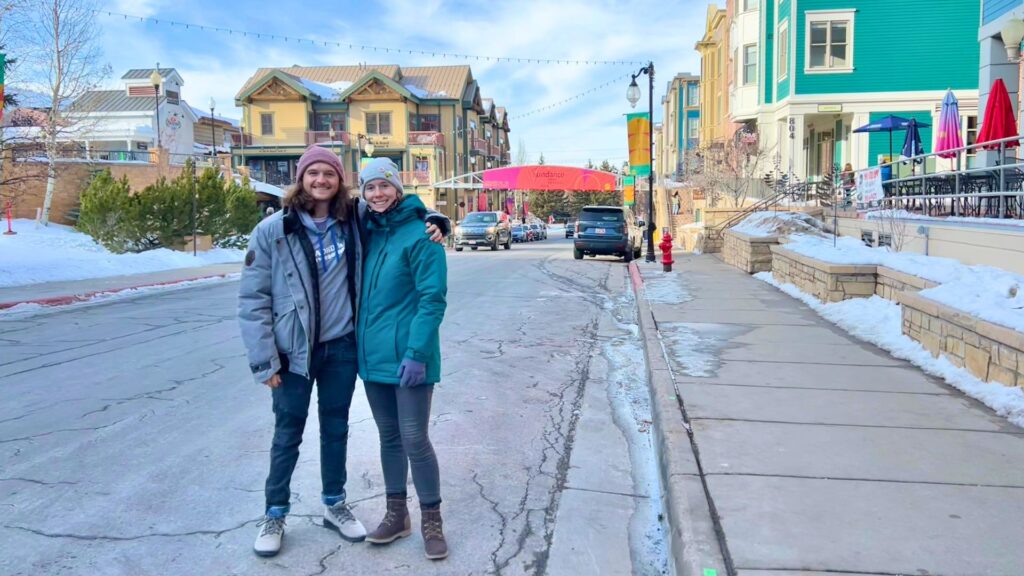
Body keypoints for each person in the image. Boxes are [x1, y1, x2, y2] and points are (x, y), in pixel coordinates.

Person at [238, 146, 447, 558]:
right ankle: (275, 513)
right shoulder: (274, 230)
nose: (320, 180)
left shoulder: (352, 220)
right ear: (301, 178)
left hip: (344, 350)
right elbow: (252, 298)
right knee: (287, 434)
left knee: (338, 429)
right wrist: (264, 359)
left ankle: (335, 503)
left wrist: (437, 219)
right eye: (312, 173)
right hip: (293, 351)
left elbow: (403, 215)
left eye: (328, 174)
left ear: (339, 181)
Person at [355, 158, 449, 560]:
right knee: (389, 437)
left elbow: (432, 300)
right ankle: (397, 514)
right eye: (369, 187)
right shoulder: (367, 234)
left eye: (384, 186)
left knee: (414, 438)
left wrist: (417, 353)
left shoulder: (422, 236)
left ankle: (432, 520)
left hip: (411, 357)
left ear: (397, 187)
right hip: (371, 357)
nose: (377, 194)